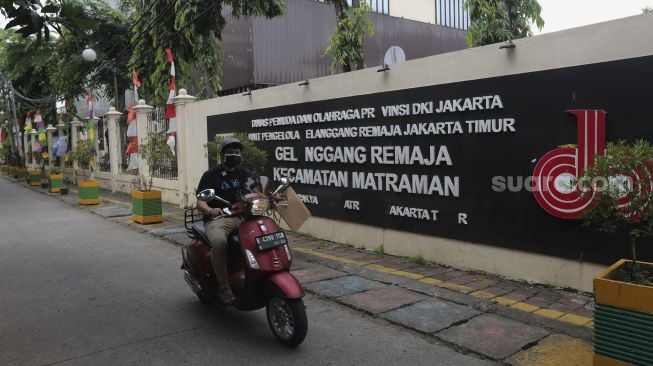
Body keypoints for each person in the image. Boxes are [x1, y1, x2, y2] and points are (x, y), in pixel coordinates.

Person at [196, 137, 253, 305]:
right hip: (219, 219)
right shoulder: (210, 175)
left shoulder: (243, 173)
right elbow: (200, 202)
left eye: (237, 152)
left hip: (242, 216)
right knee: (220, 242)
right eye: (231, 153)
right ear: (222, 155)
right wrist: (210, 210)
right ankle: (224, 286)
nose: (235, 155)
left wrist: (270, 197)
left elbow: (255, 189)